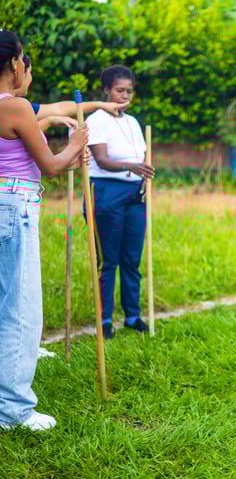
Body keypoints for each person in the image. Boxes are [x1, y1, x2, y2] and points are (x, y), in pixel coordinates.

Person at [0, 29, 88, 431]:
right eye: (22, 59)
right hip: (14, 206)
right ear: (14, 63)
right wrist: (77, 143)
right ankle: (12, 410)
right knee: (19, 309)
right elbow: (51, 165)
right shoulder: (16, 107)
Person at [86, 65, 155, 339]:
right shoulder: (96, 120)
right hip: (106, 191)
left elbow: (142, 157)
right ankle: (104, 319)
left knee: (132, 258)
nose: (125, 96)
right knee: (108, 259)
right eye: (119, 90)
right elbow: (102, 160)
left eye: (129, 91)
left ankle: (132, 316)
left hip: (135, 193)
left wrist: (143, 174)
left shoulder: (133, 122)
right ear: (106, 90)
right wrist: (132, 166)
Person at [17, 54, 127, 128]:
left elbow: (59, 109)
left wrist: (101, 105)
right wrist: (50, 121)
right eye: (29, 72)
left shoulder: (23, 106)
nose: (30, 78)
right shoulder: (16, 107)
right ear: (17, 72)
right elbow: (25, 137)